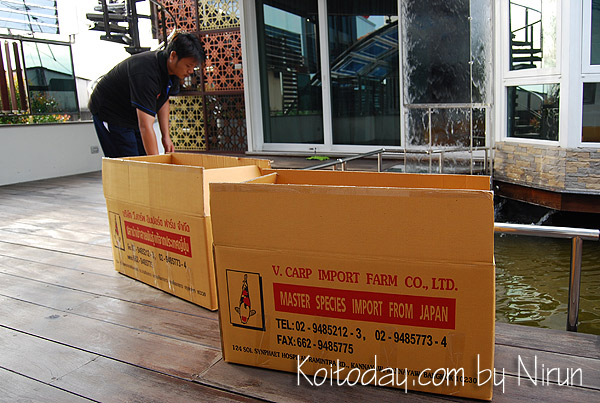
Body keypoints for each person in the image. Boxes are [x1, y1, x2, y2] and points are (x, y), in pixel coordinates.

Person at [89, 33, 204, 157]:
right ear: (173, 56)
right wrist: (156, 163)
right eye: (188, 66)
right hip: (111, 112)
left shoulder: (173, 72)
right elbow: (145, 125)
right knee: (129, 161)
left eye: (193, 67)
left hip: (132, 115)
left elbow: (163, 100)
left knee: (143, 157)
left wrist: (166, 136)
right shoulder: (146, 72)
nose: (190, 71)